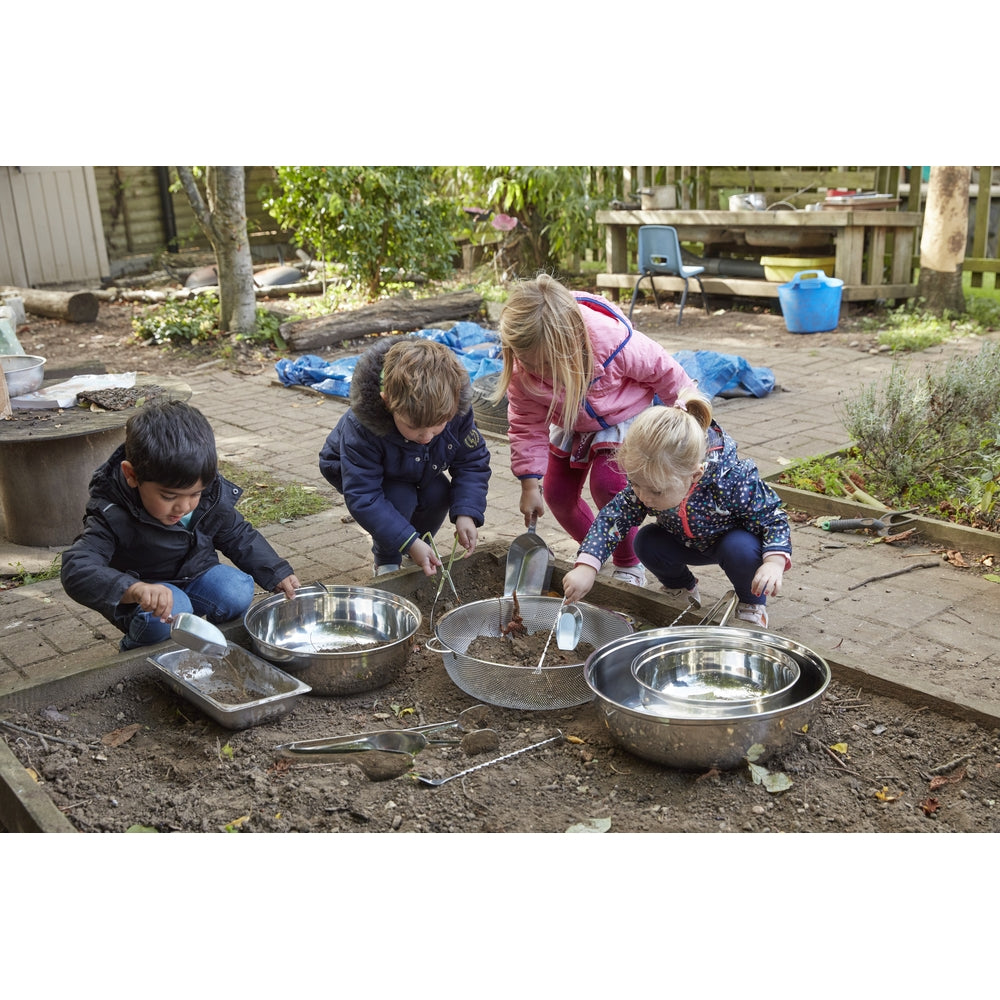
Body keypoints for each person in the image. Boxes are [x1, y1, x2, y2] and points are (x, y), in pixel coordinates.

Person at [490, 273, 708, 586]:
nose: (537, 372)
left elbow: (667, 372)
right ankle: (594, 554)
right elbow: (526, 425)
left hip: (625, 417)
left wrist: (693, 415)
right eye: (528, 363)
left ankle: (628, 562)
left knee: (607, 484)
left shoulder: (613, 341)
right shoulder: (523, 372)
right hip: (572, 423)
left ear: (572, 342)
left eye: (546, 365)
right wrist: (528, 483)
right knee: (555, 493)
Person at [61, 400, 301, 652]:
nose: (184, 506)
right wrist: (132, 589)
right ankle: (134, 655)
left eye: (195, 493)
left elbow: (236, 533)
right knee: (175, 608)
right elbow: (77, 568)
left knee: (236, 589)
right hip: (148, 597)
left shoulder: (206, 494)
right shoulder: (110, 510)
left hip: (195, 575)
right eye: (169, 497)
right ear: (132, 475)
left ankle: (209, 641)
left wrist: (275, 571)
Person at [560, 403, 791, 628]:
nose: (643, 497)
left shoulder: (732, 478)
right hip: (683, 540)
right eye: (635, 484)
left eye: (656, 491)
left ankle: (751, 602)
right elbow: (612, 519)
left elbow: (773, 517)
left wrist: (774, 563)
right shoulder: (647, 486)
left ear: (695, 475)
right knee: (646, 541)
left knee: (739, 548)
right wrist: (587, 566)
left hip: (730, 544)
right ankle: (681, 587)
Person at [319, 335, 491, 576]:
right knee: (399, 496)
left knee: (438, 491)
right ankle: (387, 558)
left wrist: (467, 513)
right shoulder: (363, 427)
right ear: (388, 403)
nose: (427, 437)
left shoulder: (455, 412)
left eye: (437, 426)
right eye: (414, 427)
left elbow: (472, 462)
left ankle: (418, 545)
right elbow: (364, 495)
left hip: (415, 465)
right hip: (354, 469)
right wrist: (406, 540)